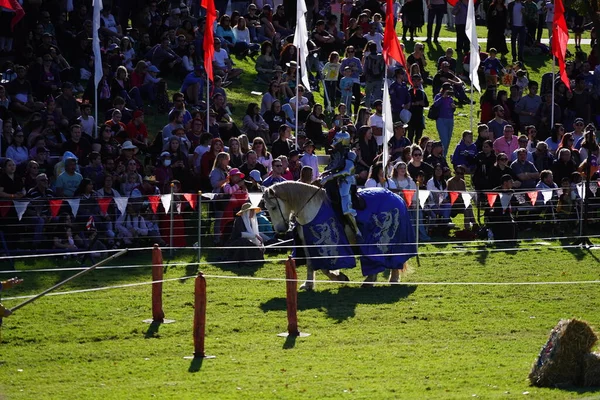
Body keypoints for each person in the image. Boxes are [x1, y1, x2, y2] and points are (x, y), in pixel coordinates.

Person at [320, 130, 361, 237]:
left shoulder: (350, 154)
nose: (334, 141)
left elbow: (347, 171)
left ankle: (357, 231)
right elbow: (332, 167)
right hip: (334, 181)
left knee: (346, 208)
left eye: (336, 139)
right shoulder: (336, 153)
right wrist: (324, 174)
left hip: (347, 181)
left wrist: (329, 177)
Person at [225, 202, 266, 267]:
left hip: (247, 241)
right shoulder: (239, 220)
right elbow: (241, 234)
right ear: (247, 212)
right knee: (243, 241)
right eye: (251, 211)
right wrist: (255, 236)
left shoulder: (250, 221)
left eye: (253, 211)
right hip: (236, 243)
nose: (253, 212)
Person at [432, 83, 456, 157]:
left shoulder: (450, 98)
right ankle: (440, 155)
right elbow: (435, 105)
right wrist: (443, 97)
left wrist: (453, 107)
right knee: (444, 141)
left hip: (450, 120)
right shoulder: (438, 96)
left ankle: (443, 156)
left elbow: (452, 110)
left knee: (448, 141)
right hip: (441, 120)